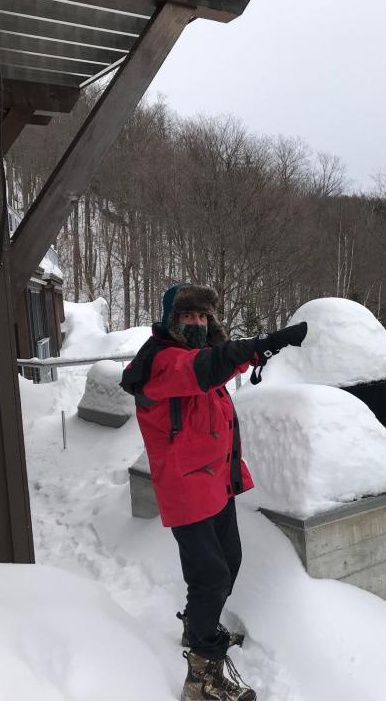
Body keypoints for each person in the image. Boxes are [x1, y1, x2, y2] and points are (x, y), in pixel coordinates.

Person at [121, 283, 307, 701]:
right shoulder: (162, 364)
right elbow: (206, 368)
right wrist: (264, 341)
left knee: (229, 561)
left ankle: (197, 626)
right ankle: (201, 677)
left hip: (215, 483)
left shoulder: (198, 358)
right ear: (172, 320)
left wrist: (260, 352)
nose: (198, 323)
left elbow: (220, 363)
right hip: (186, 489)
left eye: (204, 317)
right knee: (211, 577)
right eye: (189, 317)